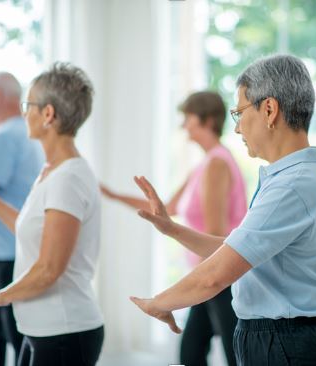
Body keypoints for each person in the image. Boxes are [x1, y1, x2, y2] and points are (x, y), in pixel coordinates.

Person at [129, 54, 316, 365]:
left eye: (239, 113)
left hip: (288, 345)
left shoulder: (292, 185)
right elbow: (234, 249)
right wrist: (171, 228)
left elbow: (215, 275)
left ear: (269, 110)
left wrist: (160, 303)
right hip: (283, 341)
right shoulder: (290, 178)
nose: (236, 129)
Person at [101, 91, 247, 366]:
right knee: (191, 353)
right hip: (210, 272)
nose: (184, 126)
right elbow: (168, 207)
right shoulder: (206, 163)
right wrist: (111, 195)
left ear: (207, 120)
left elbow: (216, 235)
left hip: (221, 277)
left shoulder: (217, 164)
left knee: (231, 355)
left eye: (188, 118)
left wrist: (192, 286)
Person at [0, 63, 104, 366]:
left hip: (65, 331)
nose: (23, 113)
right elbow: (27, 228)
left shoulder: (68, 178)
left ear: (48, 114)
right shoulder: (51, 171)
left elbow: (49, 268)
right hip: (42, 330)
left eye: (28, 104)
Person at [0, 72, 43, 366]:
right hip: (10, 250)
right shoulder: (24, 134)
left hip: (6, 254)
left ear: (0, 97)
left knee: (5, 339)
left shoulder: (3, 137)